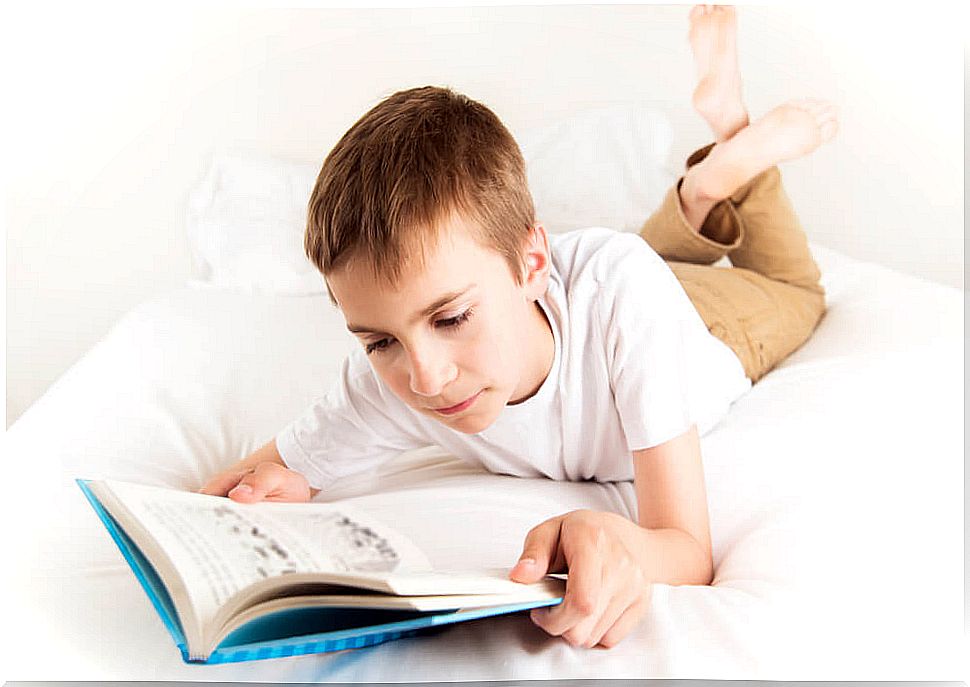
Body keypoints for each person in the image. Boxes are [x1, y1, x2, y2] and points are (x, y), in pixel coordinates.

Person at [200, 4, 838, 650]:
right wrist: (243, 499)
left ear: (533, 262)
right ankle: (699, 192)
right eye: (379, 340)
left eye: (450, 317)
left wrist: (617, 540)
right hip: (623, 286)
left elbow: (686, 548)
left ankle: (732, 145)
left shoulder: (626, 298)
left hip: (708, 326)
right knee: (648, 262)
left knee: (794, 289)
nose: (425, 376)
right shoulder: (390, 382)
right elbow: (270, 470)